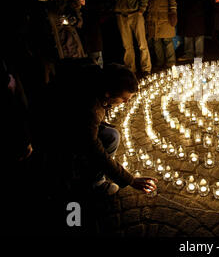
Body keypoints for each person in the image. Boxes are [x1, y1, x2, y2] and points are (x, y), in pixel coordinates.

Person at [34, 62, 158, 197]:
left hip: (62, 122)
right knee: (111, 137)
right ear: (108, 94)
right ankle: (93, 184)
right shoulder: (89, 108)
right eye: (123, 99)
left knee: (111, 135)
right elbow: (94, 150)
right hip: (52, 135)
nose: (126, 103)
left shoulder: (93, 77)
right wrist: (130, 180)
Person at [19, 0, 85, 100]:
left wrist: (71, 19)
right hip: (44, 50)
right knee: (51, 90)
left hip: (69, 46)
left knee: (74, 86)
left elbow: (78, 19)